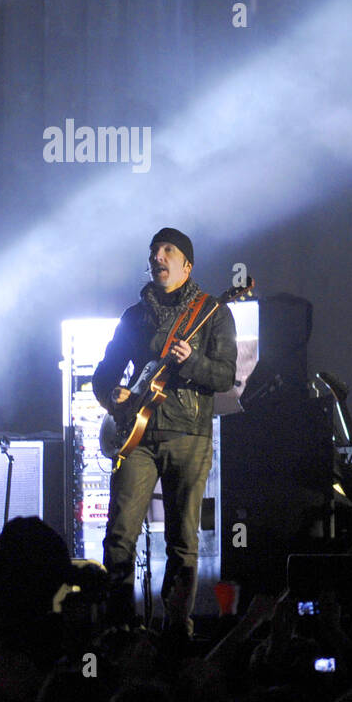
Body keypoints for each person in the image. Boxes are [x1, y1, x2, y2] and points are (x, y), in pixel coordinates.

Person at [93, 228, 236, 640]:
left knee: (182, 539)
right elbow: (104, 374)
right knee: (120, 533)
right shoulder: (134, 317)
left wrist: (191, 362)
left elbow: (226, 376)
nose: (158, 255)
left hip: (188, 435)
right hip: (136, 436)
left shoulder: (212, 312)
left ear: (186, 265)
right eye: (155, 250)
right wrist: (113, 396)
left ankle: (176, 628)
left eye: (168, 250)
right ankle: (119, 625)